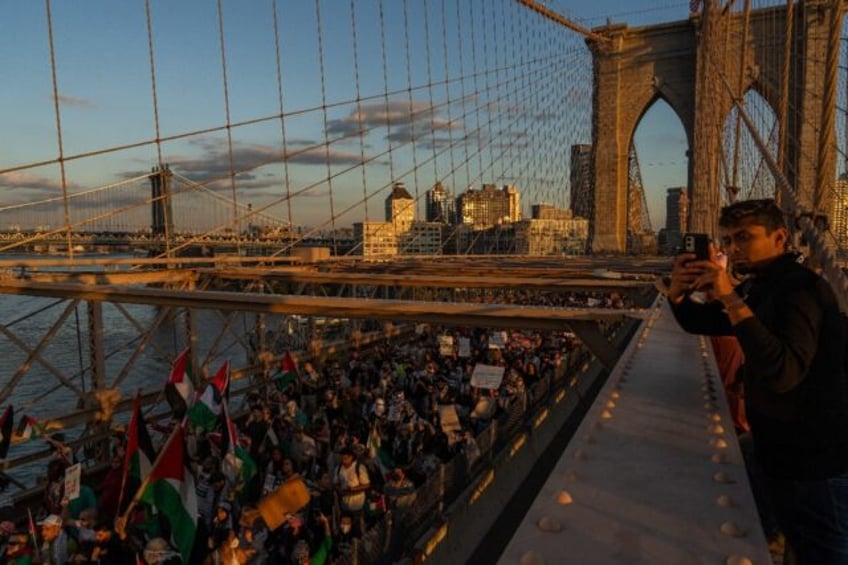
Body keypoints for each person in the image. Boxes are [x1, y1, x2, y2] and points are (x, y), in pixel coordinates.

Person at [668, 198, 848, 563]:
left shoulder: (803, 291)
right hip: (781, 452)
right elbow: (702, 322)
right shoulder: (762, 286)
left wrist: (730, 296)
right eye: (729, 240)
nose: (733, 248)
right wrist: (677, 293)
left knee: (823, 552)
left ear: (780, 237)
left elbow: (783, 373)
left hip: (817, 465)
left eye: (744, 238)